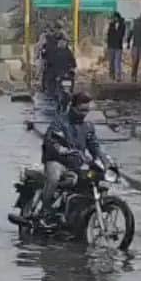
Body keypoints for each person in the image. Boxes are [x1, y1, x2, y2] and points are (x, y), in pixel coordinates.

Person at [38, 92, 103, 227]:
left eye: (86, 110)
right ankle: (45, 211)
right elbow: (52, 141)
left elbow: (94, 146)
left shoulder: (88, 126)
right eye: (81, 110)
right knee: (54, 177)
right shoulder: (60, 122)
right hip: (57, 161)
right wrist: (63, 150)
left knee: (94, 180)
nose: (84, 114)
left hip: (75, 164)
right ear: (72, 107)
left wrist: (104, 160)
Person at [106, 13, 126, 81]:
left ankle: (118, 76)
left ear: (117, 17)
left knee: (117, 61)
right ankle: (112, 75)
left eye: (114, 17)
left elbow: (121, 35)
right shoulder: (111, 24)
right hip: (111, 46)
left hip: (118, 46)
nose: (114, 19)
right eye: (113, 18)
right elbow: (108, 35)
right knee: (111, 61)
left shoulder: (122, 25)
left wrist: (115, 30)